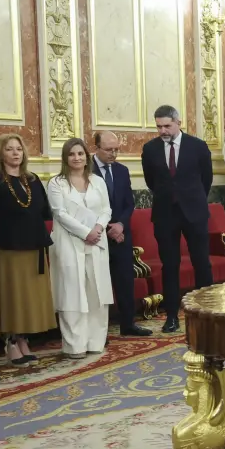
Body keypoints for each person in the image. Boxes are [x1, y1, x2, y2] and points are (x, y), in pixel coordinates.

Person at [0, 134, 56, 366]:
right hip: (6, 247)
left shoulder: (32, 180)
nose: (16, 153)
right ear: (0, 153)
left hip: (33, 246)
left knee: (29, 296)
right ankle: (11, 341)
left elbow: (44, 211)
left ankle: (24, 339)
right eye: (10, 149)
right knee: (11, 294)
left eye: (19, 149)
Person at [141, 105, 214, 333]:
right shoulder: (150, 149)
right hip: (165, 215)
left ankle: (207, 313)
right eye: (159, 126)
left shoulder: (198, 146)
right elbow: (151, 181)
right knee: (169, 266)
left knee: (201, 262)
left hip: (194, 213)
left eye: (167, 126)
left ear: (178, 122)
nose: (163, 130)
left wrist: (190, 198)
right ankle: (171, 316)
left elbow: (206, 180)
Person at [47, 138, 114, 358]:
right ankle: (75, 345)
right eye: (72, 154)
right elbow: (60, 213)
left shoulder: (97, 181)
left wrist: (97, 228)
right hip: (69, 243)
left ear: (87, 157)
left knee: (96, 293)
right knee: (72, 293)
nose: (77, 158)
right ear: (65, 158)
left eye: (80, 154)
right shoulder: (57, 183)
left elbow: (106, 209)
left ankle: (96, 341)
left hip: (96, 242)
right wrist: (86, 233)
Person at [92, 131, 151, 337]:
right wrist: (108, 227)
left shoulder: (122, 171)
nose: (114, 154)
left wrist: (121, 225)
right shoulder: (84, 171)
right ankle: (100, 331)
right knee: (99, 283)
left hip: (121, 235)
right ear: (96, 148)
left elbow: (129, 203)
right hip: (96, 236)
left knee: (125, 281)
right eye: (109, 150)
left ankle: (128, 324)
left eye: (117, 149)